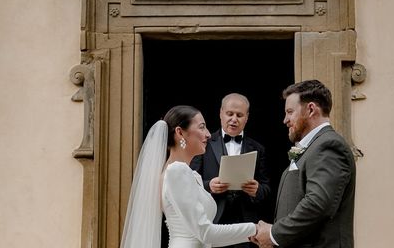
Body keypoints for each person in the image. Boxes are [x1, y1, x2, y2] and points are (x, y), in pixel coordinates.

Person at [120, 105, 258, 248]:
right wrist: (255, 229)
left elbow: (206, 238)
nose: (208, 134)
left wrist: (250, 235)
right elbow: (205, 232)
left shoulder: (187, 173)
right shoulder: (177, 172)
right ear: (180, 132)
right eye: (202, 127)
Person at [251, 80, 356, 248]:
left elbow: (318, 204)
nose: (285, 120)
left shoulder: (328, 146)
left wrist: (274, 234)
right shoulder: (314, 146)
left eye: (290, 112)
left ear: (311, 109)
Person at [190, 94, 271, 248]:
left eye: (239, 115)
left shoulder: (258, 148)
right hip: (213, 222)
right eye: (230, 114)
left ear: (247, 117)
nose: (234, 119)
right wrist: (209, 186)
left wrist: (257, 190)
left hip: (246, 224)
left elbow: (267, 188)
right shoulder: (203, 144)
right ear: (221, 113)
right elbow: (190, 181)